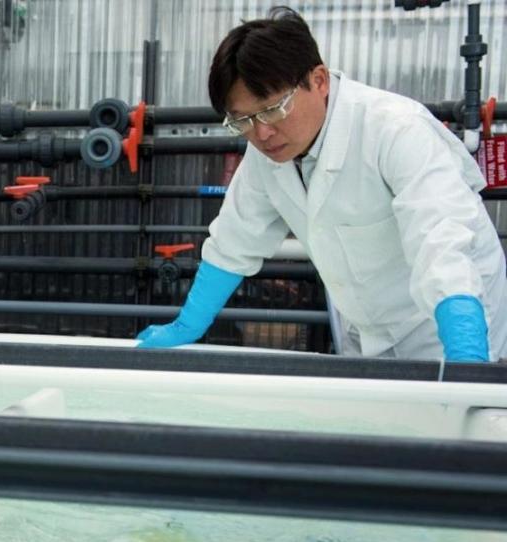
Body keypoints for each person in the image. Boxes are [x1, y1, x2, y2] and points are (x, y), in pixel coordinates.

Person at [136, 7, 506, 362]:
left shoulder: (396, 130)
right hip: (366, 328)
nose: (262, 133)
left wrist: (466, 353)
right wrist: (188, 324)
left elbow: (441, 244)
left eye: (272, 109)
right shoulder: (267, 157)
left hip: (452, 325)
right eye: (243, 120)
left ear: (319, 81)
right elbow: (234, 241)